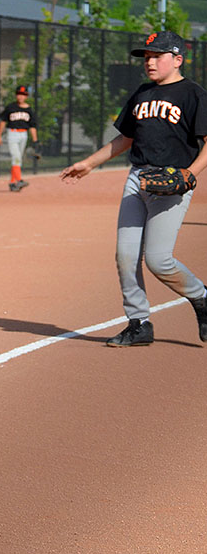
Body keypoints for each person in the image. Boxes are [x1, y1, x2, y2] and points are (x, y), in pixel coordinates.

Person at [60, 30, 207, 347]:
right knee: (125, 256)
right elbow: (125, 139)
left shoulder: (193, 94)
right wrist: (90, 163)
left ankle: (201, 297)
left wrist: (189, 175)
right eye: (147, 56)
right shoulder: (142, 94)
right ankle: (139, 323)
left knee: (158, 260)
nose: (149, 62)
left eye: (157, 55)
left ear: (177, 59)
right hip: (137, 178)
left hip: (172, 182)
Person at [0, 85, 39, 192]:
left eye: (23, 95)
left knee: (17, 160)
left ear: (26, 97)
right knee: (16, 157)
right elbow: (3, 122)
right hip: (12, 134)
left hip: (23, 135)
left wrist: (35, 140)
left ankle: (12, 183)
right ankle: (19, 180)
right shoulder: (11, 107)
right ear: (16, 95)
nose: (21, 97)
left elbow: (32, 126)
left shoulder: (29, 110)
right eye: (19, 94)